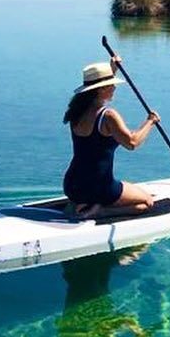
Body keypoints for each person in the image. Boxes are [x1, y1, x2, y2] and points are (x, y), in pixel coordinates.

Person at [63, 55, 159, 218]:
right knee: (147, 203)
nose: (114, 87)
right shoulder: (108, 116)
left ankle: (80, 203)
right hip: (99, 188)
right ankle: (100, 211)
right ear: (101, 89)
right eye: (111, 85)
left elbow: (98, 138)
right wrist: (150, 122)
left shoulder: (76, 112)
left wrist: (111, 69)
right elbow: (132, 143)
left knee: (127, 186)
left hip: (72, 185)